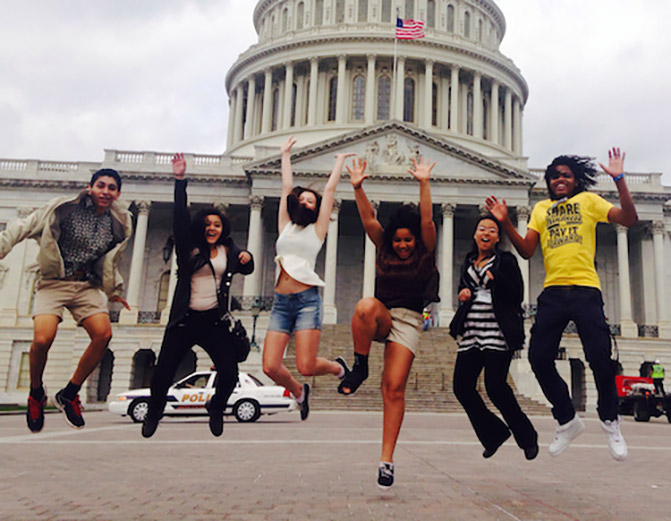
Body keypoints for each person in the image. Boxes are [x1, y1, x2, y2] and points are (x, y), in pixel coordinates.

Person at [486, 147, 637, 462]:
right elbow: (527, 250)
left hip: (585, 289)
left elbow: (629, 218)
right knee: (538, 357)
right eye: (554, 176)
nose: (559, 180)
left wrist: (620, 179)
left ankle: (610, 420)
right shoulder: (540, 209)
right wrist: (505, 222)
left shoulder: (589, 202)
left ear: (576, 179)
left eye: (566, 176)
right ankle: (567, 419)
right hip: (553, 292)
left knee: (600, 358)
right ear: (548, 181)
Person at [0, 168, 133, 432]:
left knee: (103, 334)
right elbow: (21, 227)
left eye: (111, 188)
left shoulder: (121, 221)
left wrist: (113, 288)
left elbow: (110, 259)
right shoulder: (63, 208)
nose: (105, 191)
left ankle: (70, 393)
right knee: (42, 339)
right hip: (54, 282)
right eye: (100, 185)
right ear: (90, 187)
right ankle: (36, 393)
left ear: (118, 193)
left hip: (87, 286)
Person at [337, 156, 439, 489]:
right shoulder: (383, 247)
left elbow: (427, 221)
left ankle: (386, 460)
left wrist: (424, 183)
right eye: (398, 239)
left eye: (408, 240)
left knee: (393, 389)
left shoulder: (426, 250)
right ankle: (360, 365)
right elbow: (368, 218)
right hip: (382, 316)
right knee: (365, 306)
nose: (403, 244)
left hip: (409, 321)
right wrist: (357, 187)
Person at [142, 153, 254, 438]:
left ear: (223, 228)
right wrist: (180, 181)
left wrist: (247, 257)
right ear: (200, 228)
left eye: (217, 225)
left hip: (213, 322)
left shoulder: (228, 248)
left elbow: (248, 267)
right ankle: (154, 411)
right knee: (162, 375)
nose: (212, 228)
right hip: (184, 320)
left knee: (230, 375)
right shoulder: (188, 248)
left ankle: (216, 407)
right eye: (207, 225)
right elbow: (180, 217)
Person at [262, 136, 354, 421]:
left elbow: (328, 191)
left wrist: (339, 163)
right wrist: (286, 155)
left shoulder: (318, 231)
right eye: (301, 199)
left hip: (307, 302)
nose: (304, 201)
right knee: (269, 367)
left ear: (315, 209)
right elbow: (287, 187)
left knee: (306, 364)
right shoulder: (284, 226)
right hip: (281, 302)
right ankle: (299, 393)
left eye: (309, 201)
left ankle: (339, 368)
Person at [449, 215, 538, 460]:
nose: (485, 233)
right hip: (471, 331)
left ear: (498, 237)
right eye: (481, 229)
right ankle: (494, 434)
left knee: (496, 387)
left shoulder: (506, 261)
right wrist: (463, 293)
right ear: (475, 235)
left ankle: (527, 438)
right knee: (462, 387)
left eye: (491, 230)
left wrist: (497, 280)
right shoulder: (467, 261)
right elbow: (464, 288)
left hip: (498, 331)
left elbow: (517, 292)